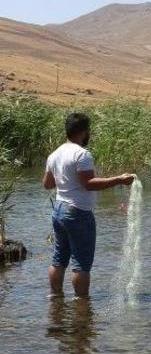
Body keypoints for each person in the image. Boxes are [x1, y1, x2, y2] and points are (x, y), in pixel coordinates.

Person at [42, 113, 136, 298]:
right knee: (81, 264)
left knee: (59, 259)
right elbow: (89, 184)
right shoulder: (82, 154)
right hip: (77, 212)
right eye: (89, 130)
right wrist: (119, 179)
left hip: (59, 210)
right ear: (83, 131)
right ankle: (81, 303)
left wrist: (63, 178)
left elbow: (47, 184)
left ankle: (55, 298)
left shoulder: (55, 154)